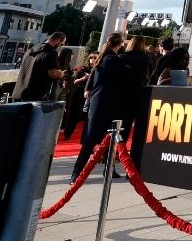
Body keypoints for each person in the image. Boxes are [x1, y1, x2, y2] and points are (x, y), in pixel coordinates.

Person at [72, 37, 149, 181]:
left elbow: (94, 74)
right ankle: (103, 170)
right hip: (113, 103)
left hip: (99, 102)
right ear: (119, 44)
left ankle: (77, 173)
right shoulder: (116, 60)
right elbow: (134, 78)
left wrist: (88, 88)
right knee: (111, 139)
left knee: (91, 140)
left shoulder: (105, 59)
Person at [12, 32, 68, 102]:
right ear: (58, 40)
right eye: (61, 44)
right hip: (36, 95)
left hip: (19, 92)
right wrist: (61, 74)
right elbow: (53, 73)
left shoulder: (30, 50)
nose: (60, 46)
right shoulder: (50, 52)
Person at [62, 52, 98, 140]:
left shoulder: (99, 69)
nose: (92, 60)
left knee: (88, 117)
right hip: (80, 93)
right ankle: (67, 134)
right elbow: (75, 81)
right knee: (74, 115)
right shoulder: (83, 69)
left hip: (93, 95)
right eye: (91, 57)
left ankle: (86, 138)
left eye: (95, 58)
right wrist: (84, 78)